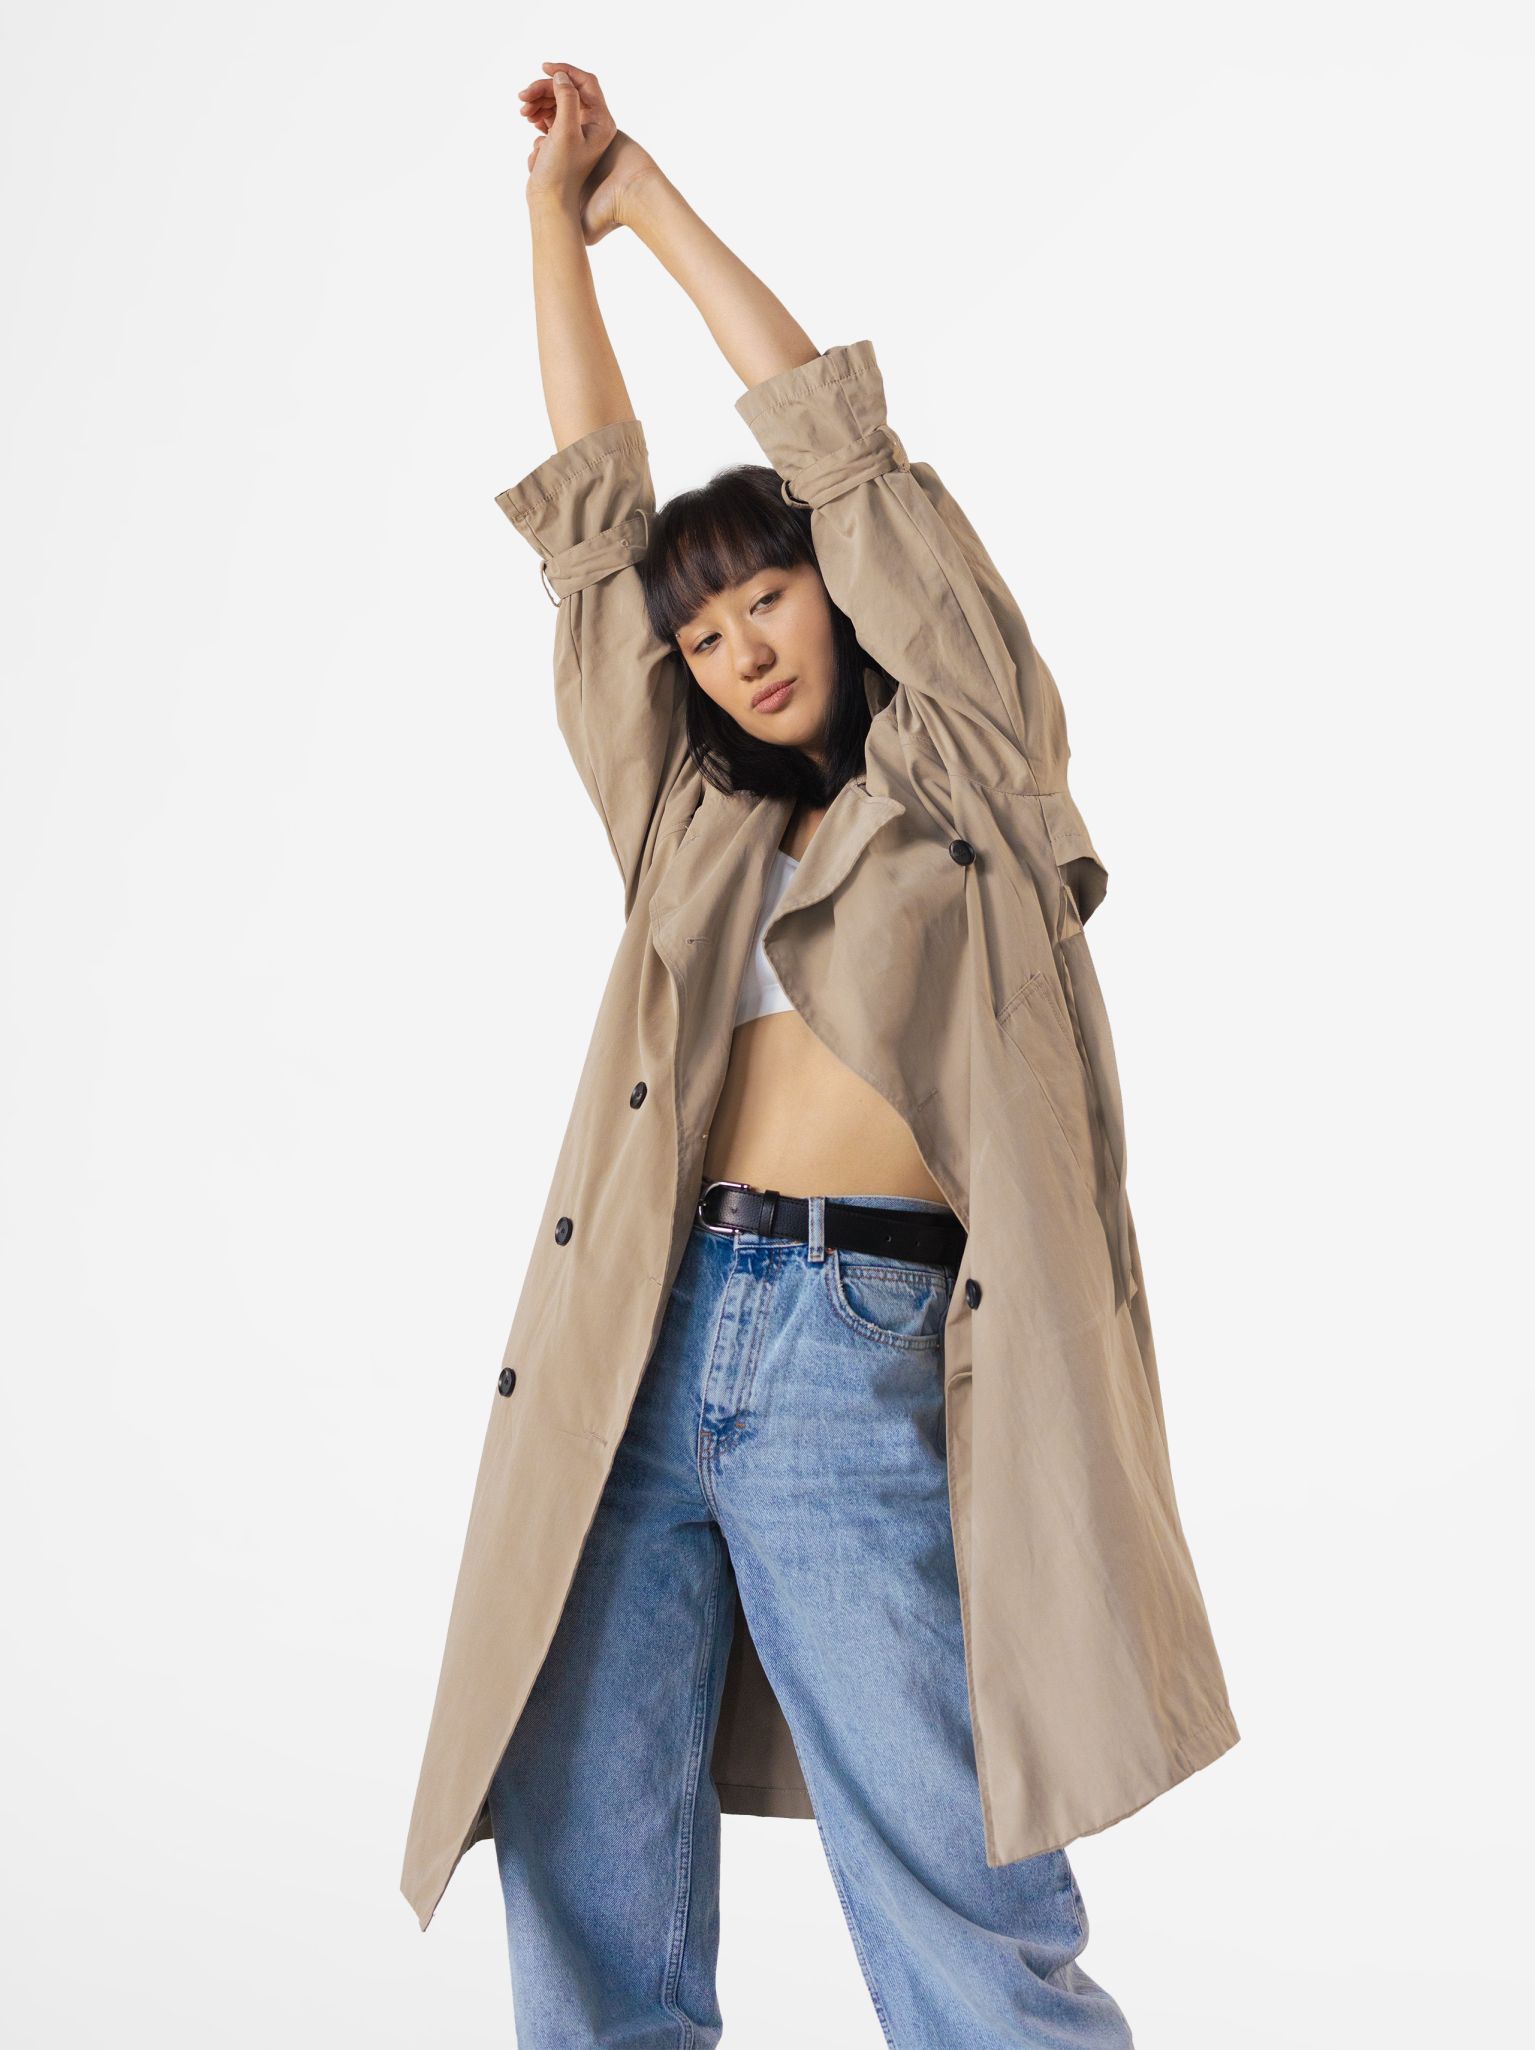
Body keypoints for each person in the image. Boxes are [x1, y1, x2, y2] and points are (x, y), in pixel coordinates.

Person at [400, 55, 1239, 2048]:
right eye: (704, 636)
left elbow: (852, 458)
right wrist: (548, 224)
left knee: (957, 1892)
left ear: (835, 592)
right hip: (644, 1330)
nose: (741, 647)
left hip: (859, 1347)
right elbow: (591, 530)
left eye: (767, 596)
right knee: (583, 1868)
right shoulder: (685, 823)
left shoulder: (971, 778)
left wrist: (653, 207)